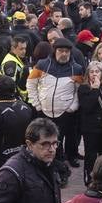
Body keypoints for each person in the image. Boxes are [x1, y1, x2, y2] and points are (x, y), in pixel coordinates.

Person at [27, 38, 84, 168]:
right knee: (47, 138)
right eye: (61, 51)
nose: (64, 54)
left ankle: (70, 157)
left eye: (67, 51)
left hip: (65, 111)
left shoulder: (77, 69)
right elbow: (31, 84)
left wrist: (73, 106)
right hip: (44, 110)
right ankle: (52, 162)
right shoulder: (42, 65)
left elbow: (78, 91)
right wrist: (37, 104)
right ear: (54, 51)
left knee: (68, 136)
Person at [77, 61, 102, 177]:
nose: (94, 74)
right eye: (91, 72)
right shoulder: (83, 88)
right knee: (91, 155)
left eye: (97, 72)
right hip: (90, 128)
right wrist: (94, 89)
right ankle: (90, 176)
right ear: (88, 74)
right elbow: (87, 106)